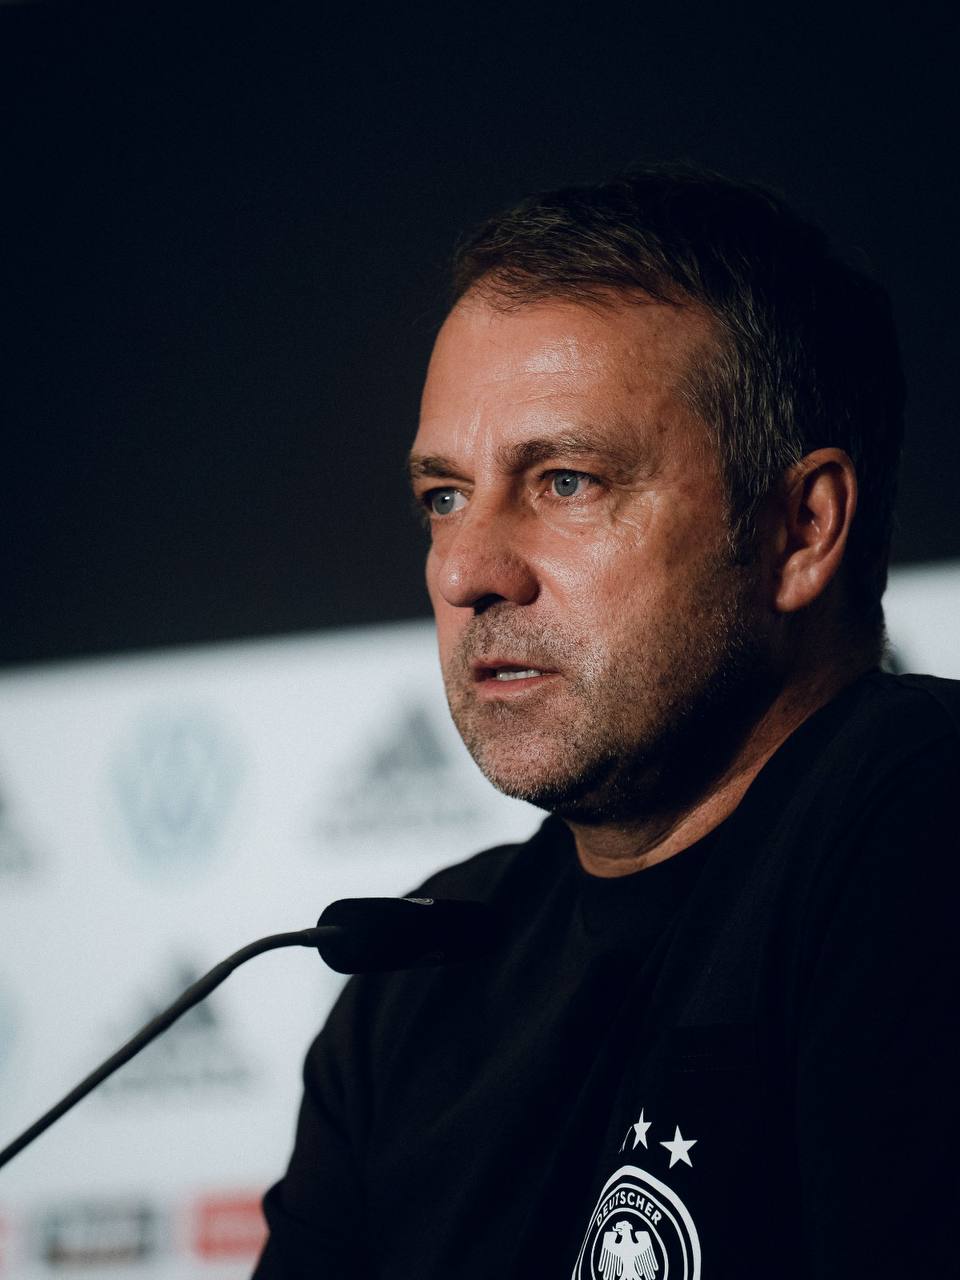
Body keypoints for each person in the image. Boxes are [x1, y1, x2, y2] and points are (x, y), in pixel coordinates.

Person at [252, 165, 960, 1278]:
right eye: (445, 496)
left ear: (799, 531)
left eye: (567, 481)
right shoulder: (416, 979)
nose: (468, 572)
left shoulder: (920, 831)